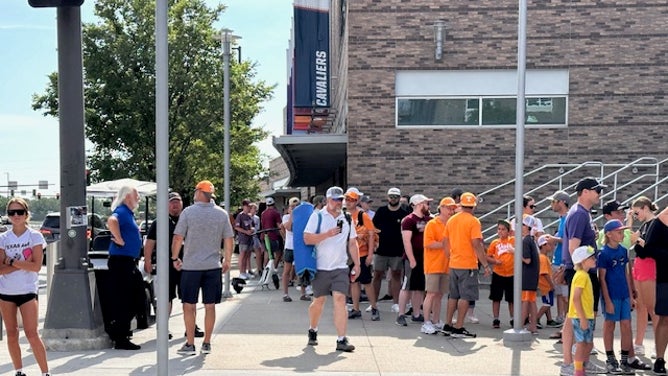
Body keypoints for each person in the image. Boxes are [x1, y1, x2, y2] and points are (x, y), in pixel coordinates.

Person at [172, 180, 234, 356]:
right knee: (210, 306)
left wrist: (175, 257)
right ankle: (206, 342)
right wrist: (227, 260)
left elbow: (178, 238)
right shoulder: (221, 214)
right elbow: (229, 239)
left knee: (188, 306)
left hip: (190, 267)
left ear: (199, 192)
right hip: (213, 267)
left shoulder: (188, 213)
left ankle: (190, 344)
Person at [560, 177, 607, 376]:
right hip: (581, 272)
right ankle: (569, 363)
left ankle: (581, 362)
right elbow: (573, 247)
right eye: (597, 190)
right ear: (585, 191)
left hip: (582, 271)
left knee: (583, 314)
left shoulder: (583, 214)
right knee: (573, 317)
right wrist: (582, 272)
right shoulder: (579, 214)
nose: (599, 194)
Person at [304, 186, 360, 352]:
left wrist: (357, 264)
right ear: (327, 200)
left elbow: (352, 242)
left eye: (340, 199)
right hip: (320, 268)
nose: (338, 202)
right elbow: (307, 238)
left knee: (340, 300)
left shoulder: (347, 218)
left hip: (340, 268)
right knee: (319, 302)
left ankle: (341, 339)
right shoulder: (318, 216)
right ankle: (313, 329)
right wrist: (327, 234)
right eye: (335, 199)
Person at [0, 198, 51, 376]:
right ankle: (19, 371)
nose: (16, 216)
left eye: (19, 212)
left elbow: (36, 267)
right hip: (6, 292)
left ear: (26, 214)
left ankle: (45, 373)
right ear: (8, 215)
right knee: (12, 334)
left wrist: (11, 261)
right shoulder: (3, 238)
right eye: (12, 212)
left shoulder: (35, 236)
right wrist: (23, 263)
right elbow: (0, 270)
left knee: (32, 334)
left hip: (28, 291)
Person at [143, 192, 204, 339]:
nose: (175, 205)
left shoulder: (189, 220)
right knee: (166, 298)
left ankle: (191, 327)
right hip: (166, 266)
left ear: (182, 203)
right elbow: (150, 242)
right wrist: (147, 261)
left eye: (177, 201)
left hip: (188, 265)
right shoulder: (160, 222)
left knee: (189, 298)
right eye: (172, 202)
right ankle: (163, 328)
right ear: (167, 204)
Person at [443, 192, 491, 338]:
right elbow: (476, 243)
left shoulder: (452, 220)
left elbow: (445, 240)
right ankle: (459, 328)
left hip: (454, 263)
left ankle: (448, 324)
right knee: (465, 296)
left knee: (453, 295)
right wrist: (485, 264)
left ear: (461, 205)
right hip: (468, 264)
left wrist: (448, 255)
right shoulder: (474, 221)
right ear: (473, 206)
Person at [106, 185, 144, 350]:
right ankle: (120, 336)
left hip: (128, 261)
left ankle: (121, 331)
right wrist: (119, 239)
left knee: (136, 297)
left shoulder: (128, 213)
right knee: (126, 298)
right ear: (128, 196)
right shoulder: (121, 211)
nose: (139, 199)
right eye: (137, 195)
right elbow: (111, 221)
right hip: (121, 261)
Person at [598, 219, 636, 374]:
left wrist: (631, 294)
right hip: (612, 295)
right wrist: (607, 300)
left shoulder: (623, 251)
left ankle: (625, 359)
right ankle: (610, 359)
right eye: (619, 231)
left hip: (624, 294)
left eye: (622, 231)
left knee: (626, 325)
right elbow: (602, 278)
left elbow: (627, 273)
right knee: (610, 325)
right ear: (609, 234)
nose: (622, 234)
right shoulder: (603, 253)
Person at [637, 205, 668, 374]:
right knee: (664, 319)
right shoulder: (659, 222)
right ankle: (660, 359)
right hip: (665, 277)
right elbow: (647, 249)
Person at [421, 197, 457, 334]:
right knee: (430, 294)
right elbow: (428, 243)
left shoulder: (451, 224)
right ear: (441, 208)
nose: (451, 211)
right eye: (448, 208)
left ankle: (436, 320)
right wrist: (445, 244)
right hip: (433, 265)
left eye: (453, 208)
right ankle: (426, 322)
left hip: (446, 265)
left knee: (439, 295)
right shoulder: (432, 224)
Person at [344, 188, 380, 321]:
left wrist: (370, 254)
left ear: (357, 201)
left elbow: (372, 234)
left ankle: (374, 307)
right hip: (350, 254)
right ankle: (356, 309)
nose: (348, 202)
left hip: (362, 253)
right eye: (347, 199)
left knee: (366, 282)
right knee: (354, 281)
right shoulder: (343, 215)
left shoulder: (362, 215)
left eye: (352, 200)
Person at [396, 194, 432, 326]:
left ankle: (416, 313)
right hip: (412, 258)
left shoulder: (429, 219)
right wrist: (411, 259)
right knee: (407, 286)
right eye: (425, 203)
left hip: (425, 258)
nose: (428, 206)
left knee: (420, 287)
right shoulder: (408, 220)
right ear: (418, 204)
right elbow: (406, 241)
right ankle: (401, 314)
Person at [630, 196, 659, 356]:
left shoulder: (657, 224)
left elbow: (652, 247)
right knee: (640, 307)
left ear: (645, 208)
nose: (636, 215)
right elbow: (630, 241)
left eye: (636, 212)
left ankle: (658, 344)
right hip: (640, 265)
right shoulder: (645, 224)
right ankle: (639, 342)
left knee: (652, 308)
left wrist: (639, 240)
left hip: (650, 267)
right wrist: (629, 220)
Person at [372, 187, 409, 312]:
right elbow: (373, 229)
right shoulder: (381, 211)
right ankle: (374, 302)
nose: (393, 199)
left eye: (396, 197)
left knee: (396, 275)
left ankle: (396, 303)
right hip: (381, 250)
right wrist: (374, 244)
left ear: (399, 198)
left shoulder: (404, 214)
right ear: (388, 197)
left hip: (397, 250)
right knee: (377, 274)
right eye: (391, 197)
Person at [569, 246, 598, 376]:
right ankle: (578, 370)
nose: (594, 259)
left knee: (587, 343)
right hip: (582, 315)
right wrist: (582, 318)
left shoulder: (584, 275)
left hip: (586, 315)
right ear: (582, 261)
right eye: (591, 258)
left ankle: (581, 368)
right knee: (581, 344)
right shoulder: (581, 276)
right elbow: (576, 299)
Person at [486, 219, 515, 329]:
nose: (500, 231)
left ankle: (513, 318)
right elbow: (488, 256)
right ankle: (496, 318)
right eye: (499, 229)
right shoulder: (495, 243)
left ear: (508, 231)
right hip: (498, 273)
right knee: (496, 297)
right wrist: (495, 261)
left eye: (503, 229)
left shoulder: (512, 240)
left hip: (511, 273)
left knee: (511, 299)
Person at [548, 190, 570, 330]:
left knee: (565, 294)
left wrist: (552, 238)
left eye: (554, 201)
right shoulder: (562, 219)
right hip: (558, 260)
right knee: (560, 293)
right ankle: (561, 317)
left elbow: (567, 240)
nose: (552, 204)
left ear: (561, 202)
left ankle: (568, 320)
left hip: (563, 261)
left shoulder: (567, 218)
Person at [536, 234, 561, 328]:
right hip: (546, 286)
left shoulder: (544, 257)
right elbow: (544, 273)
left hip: (546, 285)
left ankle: (549, 320)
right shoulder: (542, 258)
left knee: (547, 302)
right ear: (544, 245)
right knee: (548, 303)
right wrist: (551, 285)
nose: (553, 247)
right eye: (550, 244)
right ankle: (536, 318)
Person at [521, 215, 540, 334]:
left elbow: (527, 260)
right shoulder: (531, 240)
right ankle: (533, 325)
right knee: (531, 301)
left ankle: (520, 324)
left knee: (526, 301)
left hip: (528, 275)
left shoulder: (526, 241)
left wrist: (515, 252)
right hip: (532, 275)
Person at [281, 197, 302, 302]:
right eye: (292, 207)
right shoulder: (286, 217)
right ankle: (285, 293)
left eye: (296, 206)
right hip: (290, 247)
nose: (294, 208)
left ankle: (303, 292)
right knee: (287, 271)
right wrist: (291, 215)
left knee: (302, 270)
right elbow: (288, 228)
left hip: (300, 247)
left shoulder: (303, 217)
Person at [234, 199, 255, 280]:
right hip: (243, 239)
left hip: (250, 238)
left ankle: (245, 271)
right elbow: (236, 227)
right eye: (247, 206)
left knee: (247, 256)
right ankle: (241, 272)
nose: (249, 208)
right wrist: (246, 232)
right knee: (242, 256)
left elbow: (252, 225)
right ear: (244, 206)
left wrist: (252, 230)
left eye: (249, 206)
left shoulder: (249, 216)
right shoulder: (240, 216)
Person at [261, 197, 284, 269]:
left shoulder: (263, 213)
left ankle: (265, 269)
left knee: (267, 252)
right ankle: (274, 269)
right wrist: (283, 236)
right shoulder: (276, 213)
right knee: (278, 253)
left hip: (264, 235)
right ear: (274, 204)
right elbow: (279, 225)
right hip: (274, 236)